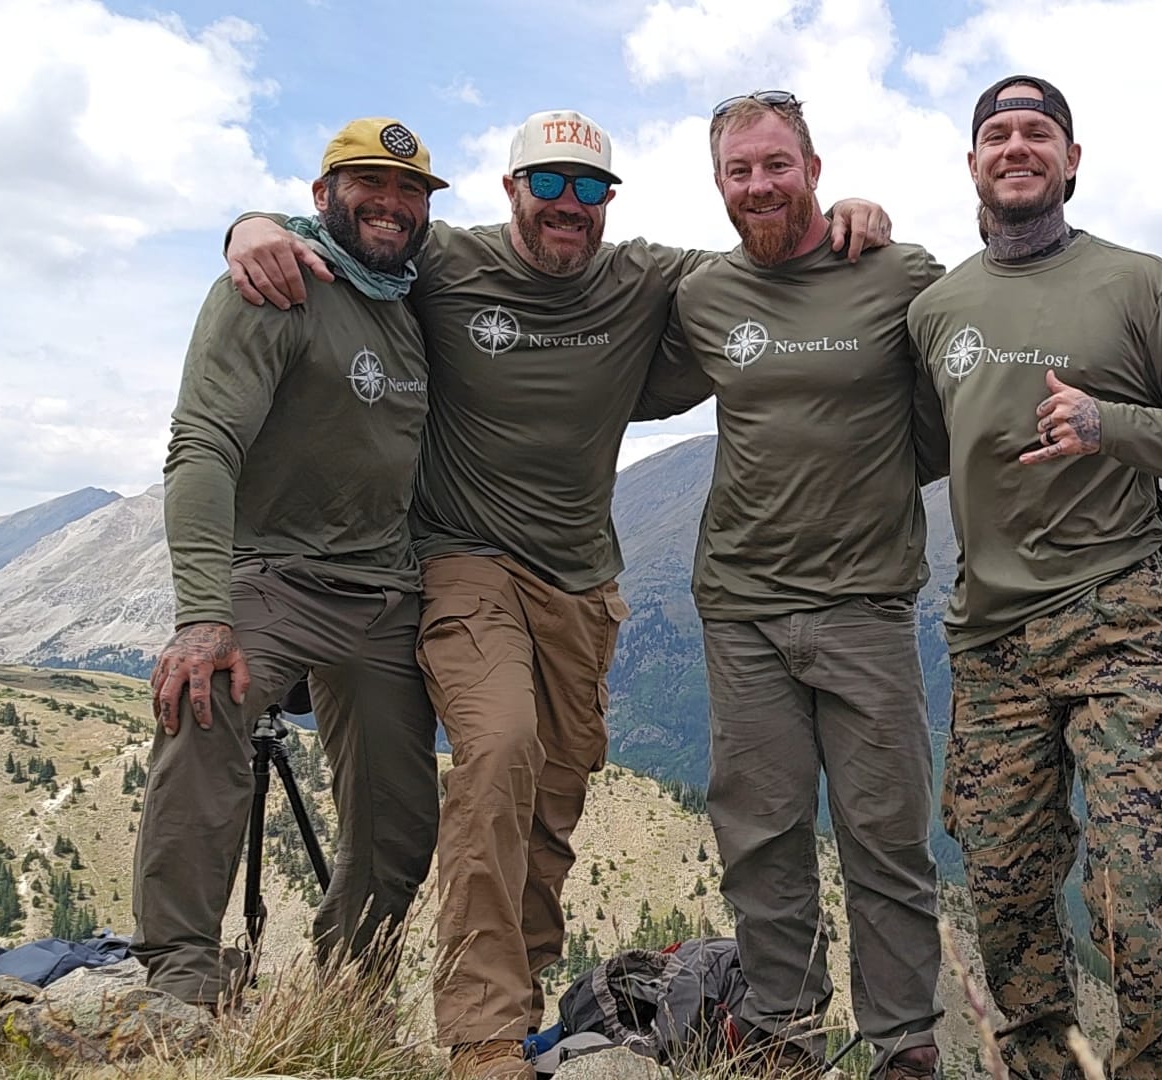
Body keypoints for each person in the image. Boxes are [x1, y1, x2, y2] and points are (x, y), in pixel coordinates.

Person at [223, 109, 890, 1080]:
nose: (568, 204)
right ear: (512, 189)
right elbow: (356, 231)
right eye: (548, 183)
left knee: (552, 803)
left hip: (582, 584)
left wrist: (844, 218)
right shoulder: (447, 261)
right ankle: (481, 1033)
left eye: (588, 187)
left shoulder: (642, 275)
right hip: (463, 562)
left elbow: (766, 253)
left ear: (607, 200)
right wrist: (252, 224)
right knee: (499, 751)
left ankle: (520, 1007)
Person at [907, 76, 1162, 1079]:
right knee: (1005, 894)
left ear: (1071, 160)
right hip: (990, 642)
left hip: (1119, 620)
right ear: (973, 163)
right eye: (997, 134)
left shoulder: (1142, 285)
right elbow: (920, 449)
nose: (1016, 147)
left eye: (1038, 133)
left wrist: (1109, 425)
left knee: (1133, 887)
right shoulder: (937, 310)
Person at [638, 90, 944, 1079]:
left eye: (778, 164)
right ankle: (781, 1034)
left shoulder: (897, 273)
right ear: (718, 183)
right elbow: (590, 308)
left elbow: (956, 404)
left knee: (886, 839)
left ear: (814, 168)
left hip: (867, 606)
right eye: (740, 170)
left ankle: (903, 1044)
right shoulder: (703, 292)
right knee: (761, 837)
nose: (760, 185)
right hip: (743, 608)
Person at [139, 117, 447, 1009]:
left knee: (399, 818)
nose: (391, 203)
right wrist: (203, 615)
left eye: (410, 190)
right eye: (368, 184)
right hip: (274, 575)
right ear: (322, 196)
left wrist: (250, 218)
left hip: (384, 592)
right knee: (203, 706)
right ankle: (182, 976)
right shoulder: (272, 287)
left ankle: (347, 1000)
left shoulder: (413, 292)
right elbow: (203, 442)